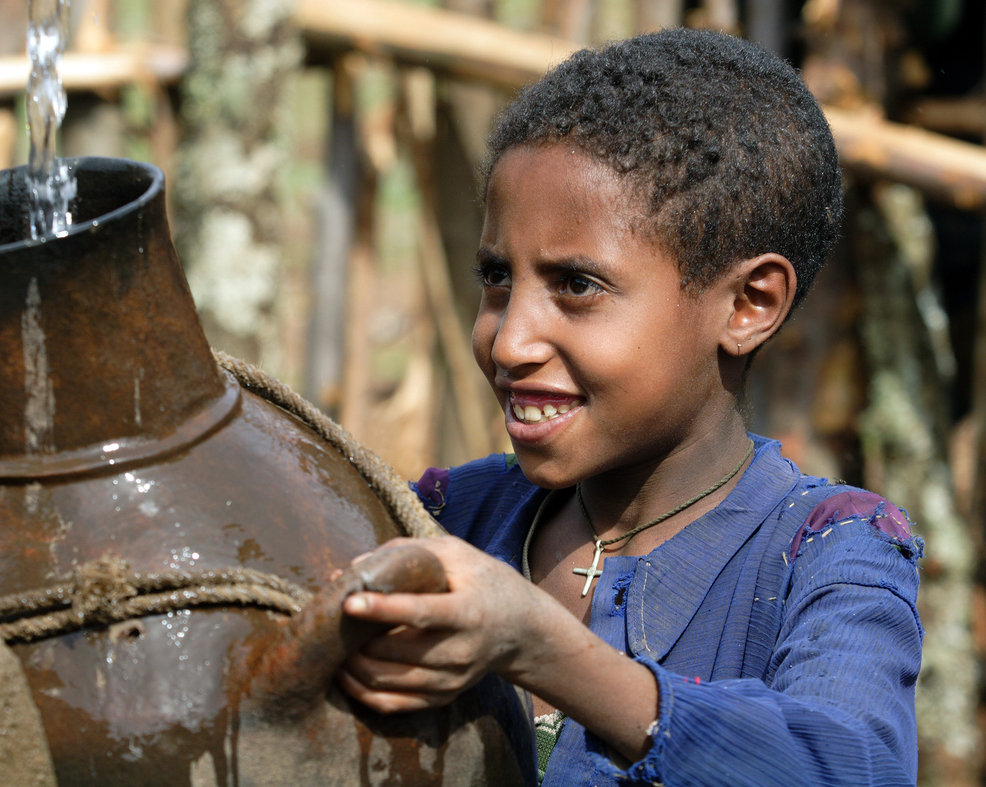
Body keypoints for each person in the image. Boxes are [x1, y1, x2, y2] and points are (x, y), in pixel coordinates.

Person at [334, 28, 923, 787]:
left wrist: (541, 647)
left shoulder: (832, 550)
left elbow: (853, 767)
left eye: (576, 285)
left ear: (748, 303)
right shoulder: (447, 517)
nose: (511, 340)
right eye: (495, 276)